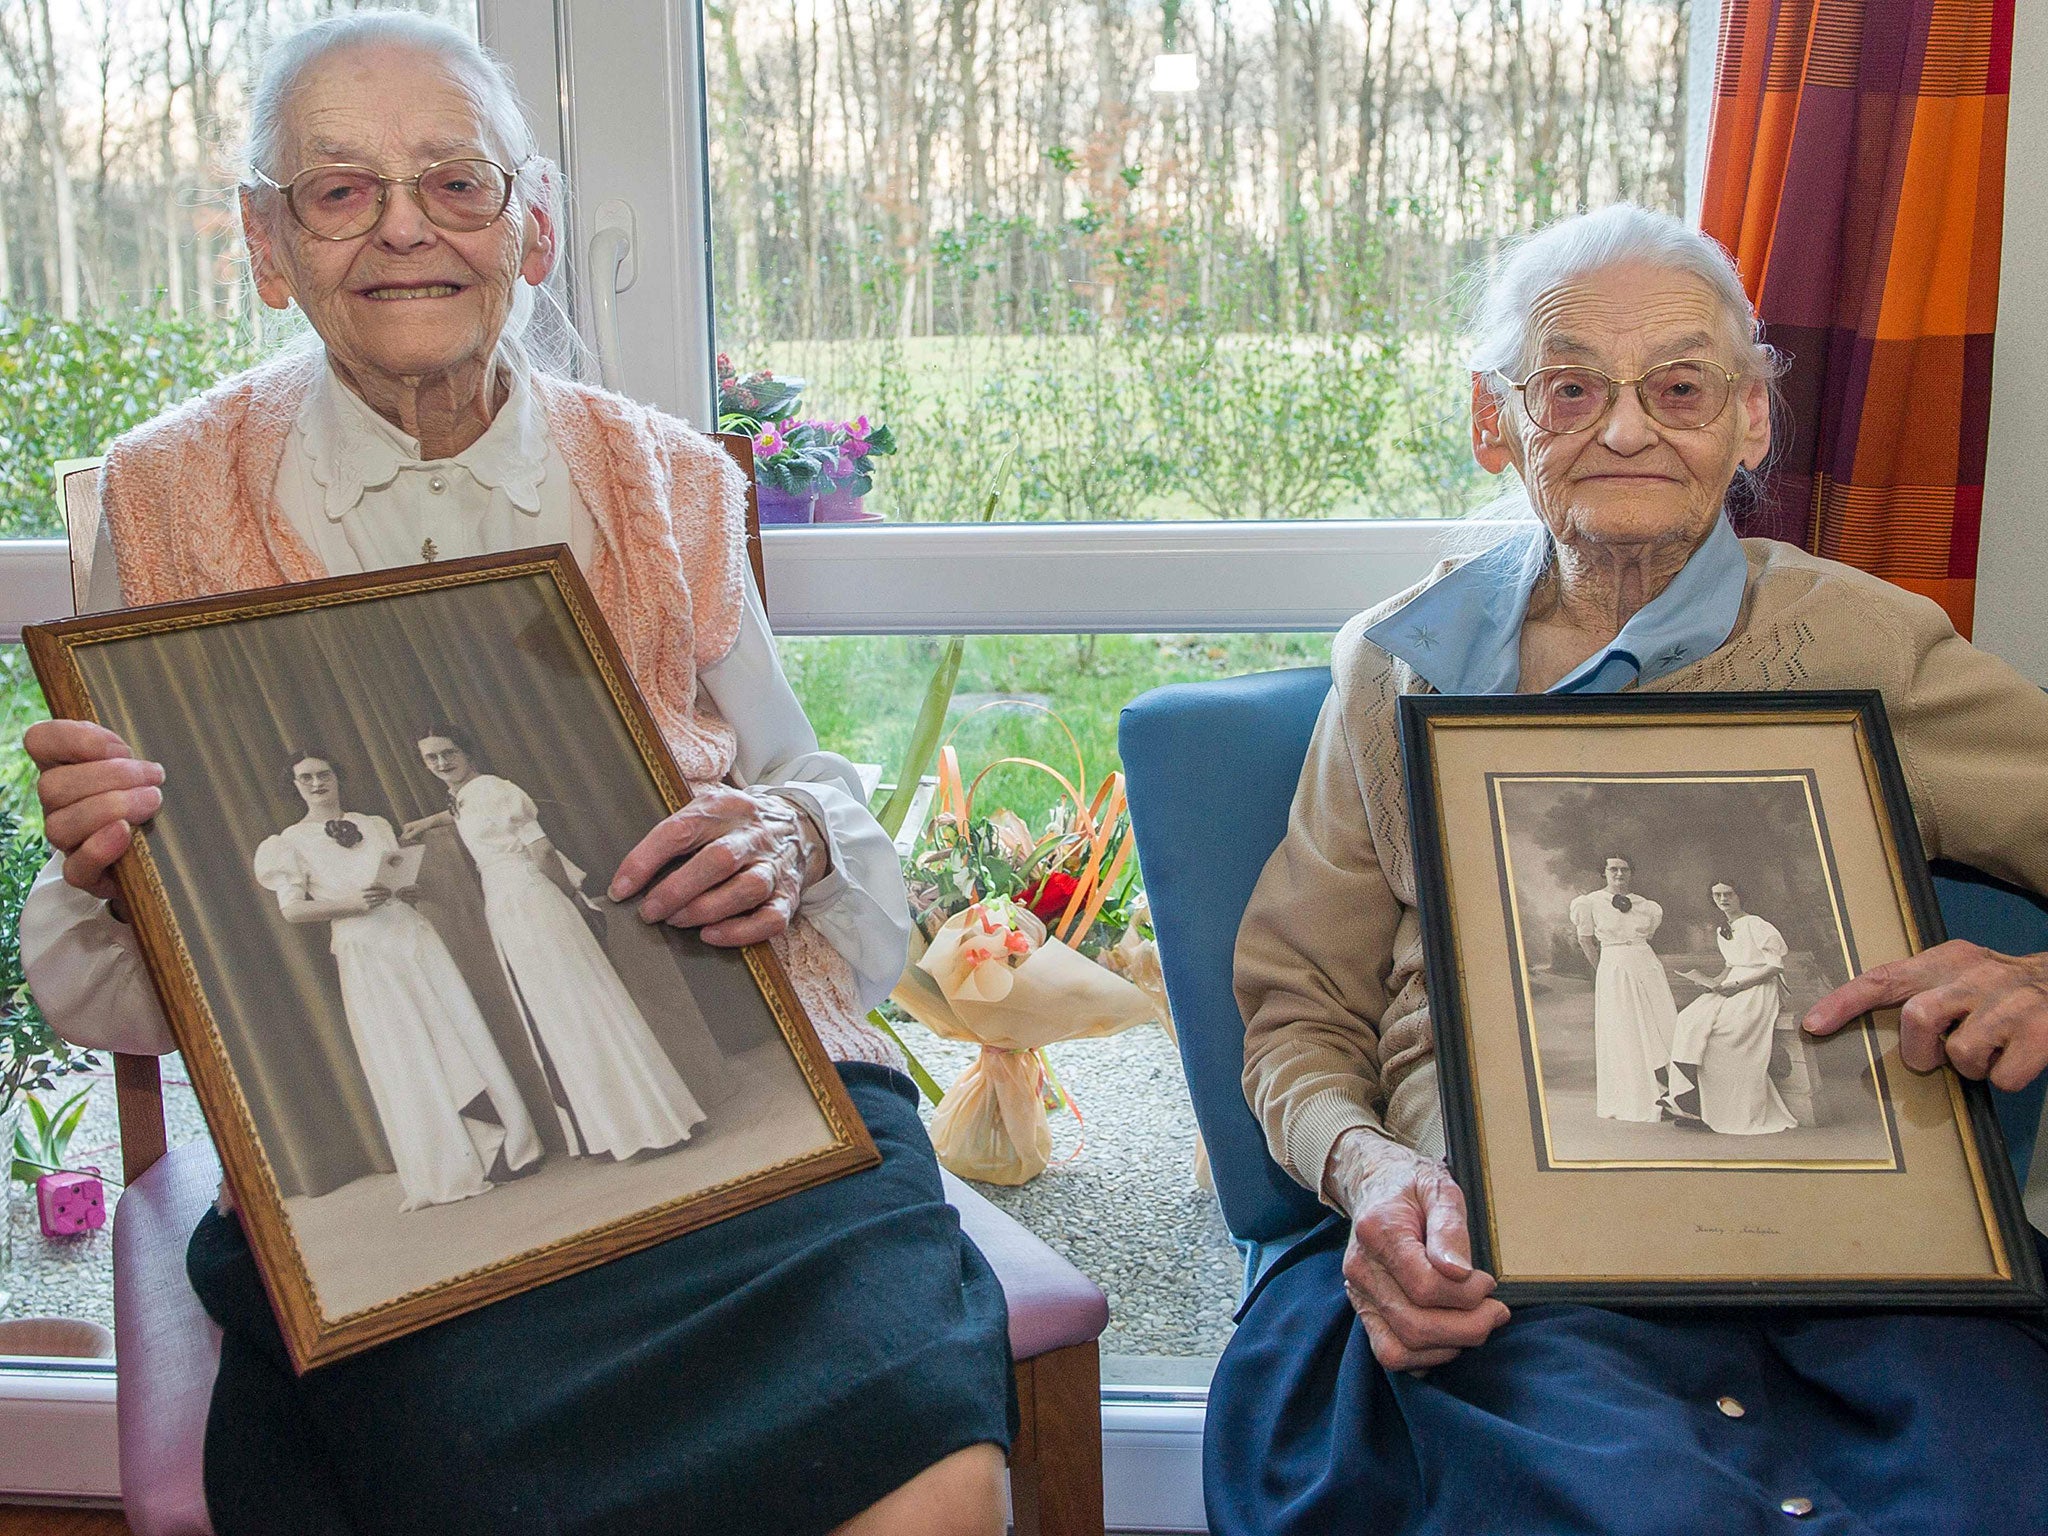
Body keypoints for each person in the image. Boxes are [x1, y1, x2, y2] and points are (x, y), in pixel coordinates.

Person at [17, 14, 1009, 1535]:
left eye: (455, 182)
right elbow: (120, 977)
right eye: (339, 191)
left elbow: (799, 773)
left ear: (530, 226)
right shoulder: (157, 499)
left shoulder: (672, 475)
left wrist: (791, 834)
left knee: (931, 1482)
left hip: (753, 1115)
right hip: (435, 1192)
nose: (406, 227)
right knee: (487, 1478)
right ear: (266, 243)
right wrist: (110, 868)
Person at [1218, 202, 2048, 1534]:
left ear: (1750, 422)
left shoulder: (1868, 647)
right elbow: (1298, 1010)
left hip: (1852, 1266)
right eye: (1569, 387)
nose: (1623, 429)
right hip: (1503, 1271)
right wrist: (1374, 1174)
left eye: (1679, 386)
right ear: (1495, 422)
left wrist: (2036, 976)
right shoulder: (1396, 662)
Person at [255, 749, 546, 1209]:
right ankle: (455, 1160)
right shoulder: (288, 842)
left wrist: (402, 890)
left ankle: (506, 1147)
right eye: (305, 778)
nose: (316, 784)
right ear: (293, 786)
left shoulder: (374, 824)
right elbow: (292, 910)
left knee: (457, 1029)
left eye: (324, 774)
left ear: (337, 777)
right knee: (407, 1047)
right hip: (366, 949)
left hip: (411, 934)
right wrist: (353, 903)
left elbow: (394, 877)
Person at [402, 729, 705, 1160]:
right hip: (507, 902)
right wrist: (429, 821)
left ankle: (646, 1125)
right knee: (561, 1010)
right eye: (430, 758)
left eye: (448, 753)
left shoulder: (495, 789)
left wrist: (571, 901)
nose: (440, 762)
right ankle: (617, 1128)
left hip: (533, 898)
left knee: (578, 1004)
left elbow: (542, 851)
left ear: (468, 751)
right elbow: (467, 816)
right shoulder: (468, 797)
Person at [1664, 880, 1797, 1135]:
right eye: (1717, 895)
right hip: (1732, 983)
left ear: (1739, 896)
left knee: (1723, 1034)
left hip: (1759, 987)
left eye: (1728, 894)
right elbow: (1731, 964)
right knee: (1688, 1019)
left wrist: (1738, 985)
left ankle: (1724, 1110)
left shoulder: (1757, 925)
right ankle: (1691, 1101)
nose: (1723, 899)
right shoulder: (1723, 928)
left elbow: (1774, 967)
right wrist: (1712, 983)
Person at [1567, 855, 1678, 1122]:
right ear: (1603, 872)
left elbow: (1646, 937)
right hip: (1613, 966)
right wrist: (1602, 970)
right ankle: (1636, 1097)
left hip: (1646, 965)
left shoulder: (1647, 906)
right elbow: (1586, 941)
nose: (1619, 874)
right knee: (1625, 1028)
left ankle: (1674, 1094)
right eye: (1613, 869)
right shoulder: (1589, 903)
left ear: (1631, 873)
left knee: (1661, 1024)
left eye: (1624, 869)